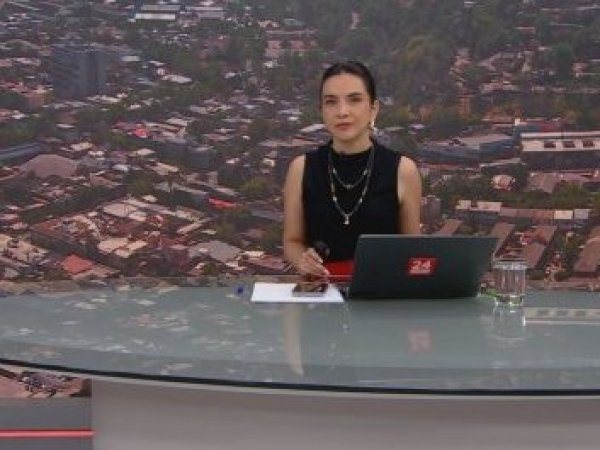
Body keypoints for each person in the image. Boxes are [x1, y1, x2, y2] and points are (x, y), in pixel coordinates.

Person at [283, 60, 422, 278]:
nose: (342, 111)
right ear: (321, 111)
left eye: (354, 100)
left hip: (383, 292)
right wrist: (303, 261)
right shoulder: (300, 169)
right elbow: (292, 241)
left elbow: (413, 251)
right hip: (320, 291)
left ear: (373, 109)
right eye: (331, 102)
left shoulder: (403, 170)